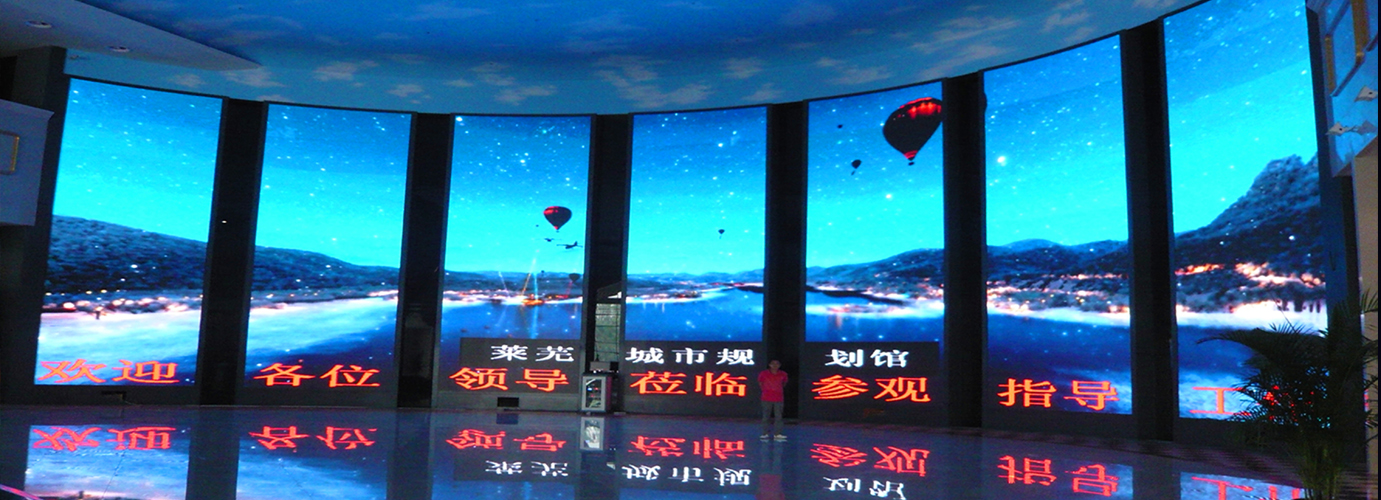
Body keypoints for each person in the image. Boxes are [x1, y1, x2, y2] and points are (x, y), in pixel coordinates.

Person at [758, 359, 788, 440]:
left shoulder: (783, 374)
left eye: (777, 364)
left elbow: (784, 383)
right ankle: (765, 433)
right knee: (766, 416)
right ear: (769, 365)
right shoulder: (764, 373)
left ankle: (777, 434)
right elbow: (760, 383)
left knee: (778, 417)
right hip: (766, 397)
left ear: (779, 365)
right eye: (773, 364)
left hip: (778, 398)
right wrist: (766, 390)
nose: (775, 365)